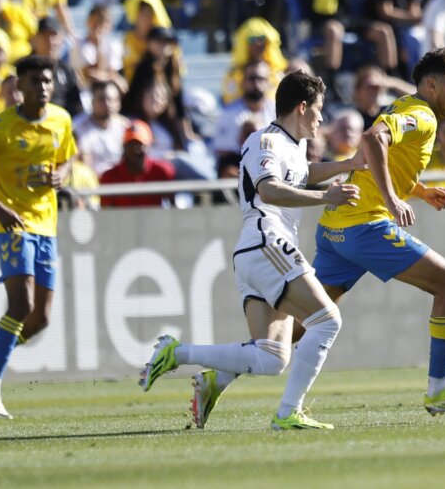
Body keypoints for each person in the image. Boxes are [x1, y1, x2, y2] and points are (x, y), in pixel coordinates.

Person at [138, 70, 363, 431]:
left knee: (272, 356)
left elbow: (303, 174)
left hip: (258, 250)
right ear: (302, 107)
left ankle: (178, 353)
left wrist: (348, 165)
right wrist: (328, 196)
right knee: (327, 320)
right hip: (267, 243)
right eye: (319, 109)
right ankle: (289, 412)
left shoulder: (292, 146)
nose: (322, 118)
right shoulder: (266, 141)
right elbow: (269, 189)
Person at [314, 47, 445, 415]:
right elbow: (372, 139)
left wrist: (421, 191)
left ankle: (215, 374)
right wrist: (394, 200)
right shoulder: (422, 115)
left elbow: (386, 160)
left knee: (302, 324)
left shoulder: (405, 106)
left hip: (335, 226)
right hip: (364, 225)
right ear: (431, 84)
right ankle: (439, 388)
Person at [0, 55, 78, 419]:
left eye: (47, 80)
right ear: (18, 87)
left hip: (47, 225)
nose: (42, 86)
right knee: (21, 305)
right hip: (11, 225)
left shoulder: (61, 119)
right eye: (34, 81)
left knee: (40, 318)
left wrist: (63, 176)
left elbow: (67, 159)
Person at [99, 119, 176, 208]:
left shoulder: (162, 171)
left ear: (148, 146)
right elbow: (105, 215)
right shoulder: (109, 177)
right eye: (131, 144)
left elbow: (173, 209)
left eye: (140, 144)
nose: (135, 149)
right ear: (124, 146)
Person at [73, 80, 131, 176]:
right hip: (92, 184)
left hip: (121, 183)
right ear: (92, 101)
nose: (108, 104)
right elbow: (84, 163)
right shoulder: (78, 126)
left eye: (113, 100)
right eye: (102, 99)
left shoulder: (125, 126)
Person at [32, 17, 84, 117]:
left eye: (54, 36)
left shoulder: (67, 70)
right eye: (45, 36)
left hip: (62, 125)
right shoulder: (23, 68)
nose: (50, 42)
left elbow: (76, 107)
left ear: (61, 39)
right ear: (36, 39)